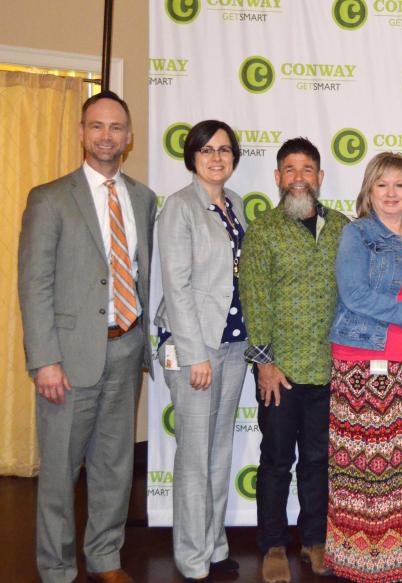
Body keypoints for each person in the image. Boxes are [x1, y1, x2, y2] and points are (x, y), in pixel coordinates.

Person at [18, 90, 156, 583]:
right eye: (96, 126)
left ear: (129, 136)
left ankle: (105, 557)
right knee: (59, 471)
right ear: (81, 133)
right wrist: (45, 360)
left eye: (116, 127)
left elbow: (142, 274)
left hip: (126, 348)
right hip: (69, 358)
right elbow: (34, 285)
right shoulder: (50, 198)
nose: (106, 136)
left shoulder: (143, 198)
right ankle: (56, 568)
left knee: (115, 467)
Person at [325, 152, 402, 583]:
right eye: (382, 185)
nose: (392, 193)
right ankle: (374, 562)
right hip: (368, 361)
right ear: (368, 191)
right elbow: (354, 295)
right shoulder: (357, 234)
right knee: (373, 470)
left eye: (400, 184)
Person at [238, 137, 350, 583]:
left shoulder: (344, 227)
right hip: (278, 371)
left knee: (320, 461)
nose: (299, 177)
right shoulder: (263, 229)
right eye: (290, 169)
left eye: (307, 169)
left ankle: (315, 540)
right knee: (277, 461)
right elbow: (254, 297)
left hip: (329, 369)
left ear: (320, 178)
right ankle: (273, 545)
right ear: (278, 178)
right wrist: (264, 362)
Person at [154, 119, 247, 582]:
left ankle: (213, 546)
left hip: (232, 345)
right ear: (192, 156)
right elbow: (177, 286)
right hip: (196, 348)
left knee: (219, 451)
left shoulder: (236, 205)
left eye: (225, 150)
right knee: (194, 457)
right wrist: (195, 355)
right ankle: (192, 559)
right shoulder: (179, 207)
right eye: (207, 149)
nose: (217, 157)